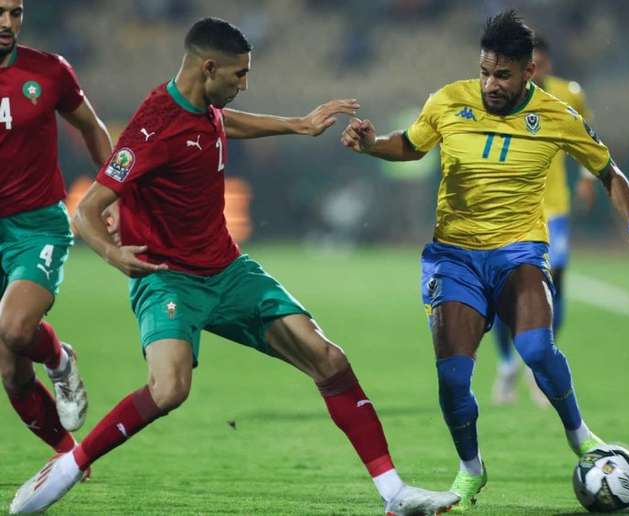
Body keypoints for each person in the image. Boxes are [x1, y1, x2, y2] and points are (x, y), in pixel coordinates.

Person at [9, 17, 458, 516]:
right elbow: (87, 209)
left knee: (329, 360)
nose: (245, 84)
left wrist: (296, 124)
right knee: (170, 389)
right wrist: (114, 255)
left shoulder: (204, 105)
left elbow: (225, 122)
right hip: (168, 277)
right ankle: (69, 467)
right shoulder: (153, 124)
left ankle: (395, 494)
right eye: (239, 75)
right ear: (208, 68)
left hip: (228, 270)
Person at [341, 10, 629, 510]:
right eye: (485, 71)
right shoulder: (448, 99)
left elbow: (609, 172)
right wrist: (370, 145)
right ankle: (471, 469)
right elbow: (408, 145)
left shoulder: (557, 115)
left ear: (528, 72)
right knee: (452, 378)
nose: (490, 83)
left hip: (520, 251)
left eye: (502, 75)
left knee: (535, 349)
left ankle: (581, 437)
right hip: (454, 257)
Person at [0, 0, 112, 462]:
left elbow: (91, 126)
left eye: (15, 12)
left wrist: (113, 193)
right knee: (11, 372)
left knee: (14, 327)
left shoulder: (49, 72)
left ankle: (60, 359)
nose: (7, 23)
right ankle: (69, 460)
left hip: (36, 225)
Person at [490, 35, 597, 407]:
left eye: (540, 65)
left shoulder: (568, 94)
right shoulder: (499, 98)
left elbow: (585, 137)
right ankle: (506, 366)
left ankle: (539, 363)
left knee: (555, 287)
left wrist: (586, 177)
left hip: (554, 210)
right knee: (504, 291)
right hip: (510, 211)